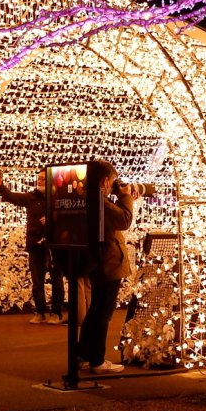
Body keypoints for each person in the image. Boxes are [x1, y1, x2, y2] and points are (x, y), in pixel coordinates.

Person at [78, 160, 133, 374]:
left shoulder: (88, 199)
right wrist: (126, 196)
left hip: (97, 262)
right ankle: (97, 360)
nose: (113, 185)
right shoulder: (98, 202)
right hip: (109, 264)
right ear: (104, 181)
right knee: (103, 314)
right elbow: (124, 220)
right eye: (112, 181)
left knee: (94, 311)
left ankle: (83, 354)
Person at [0, 169, 64, 323]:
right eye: (38, 178)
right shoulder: (31, 197)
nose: (39, 181)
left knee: (56, 281)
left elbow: (69, 216)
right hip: (35, 245)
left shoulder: (59, 198)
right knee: (37, 281)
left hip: (54, 246)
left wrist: (53, 218)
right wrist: (1, 187)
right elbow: (13, 197)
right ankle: (40, 312)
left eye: (43, 178)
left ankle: (56, 313)